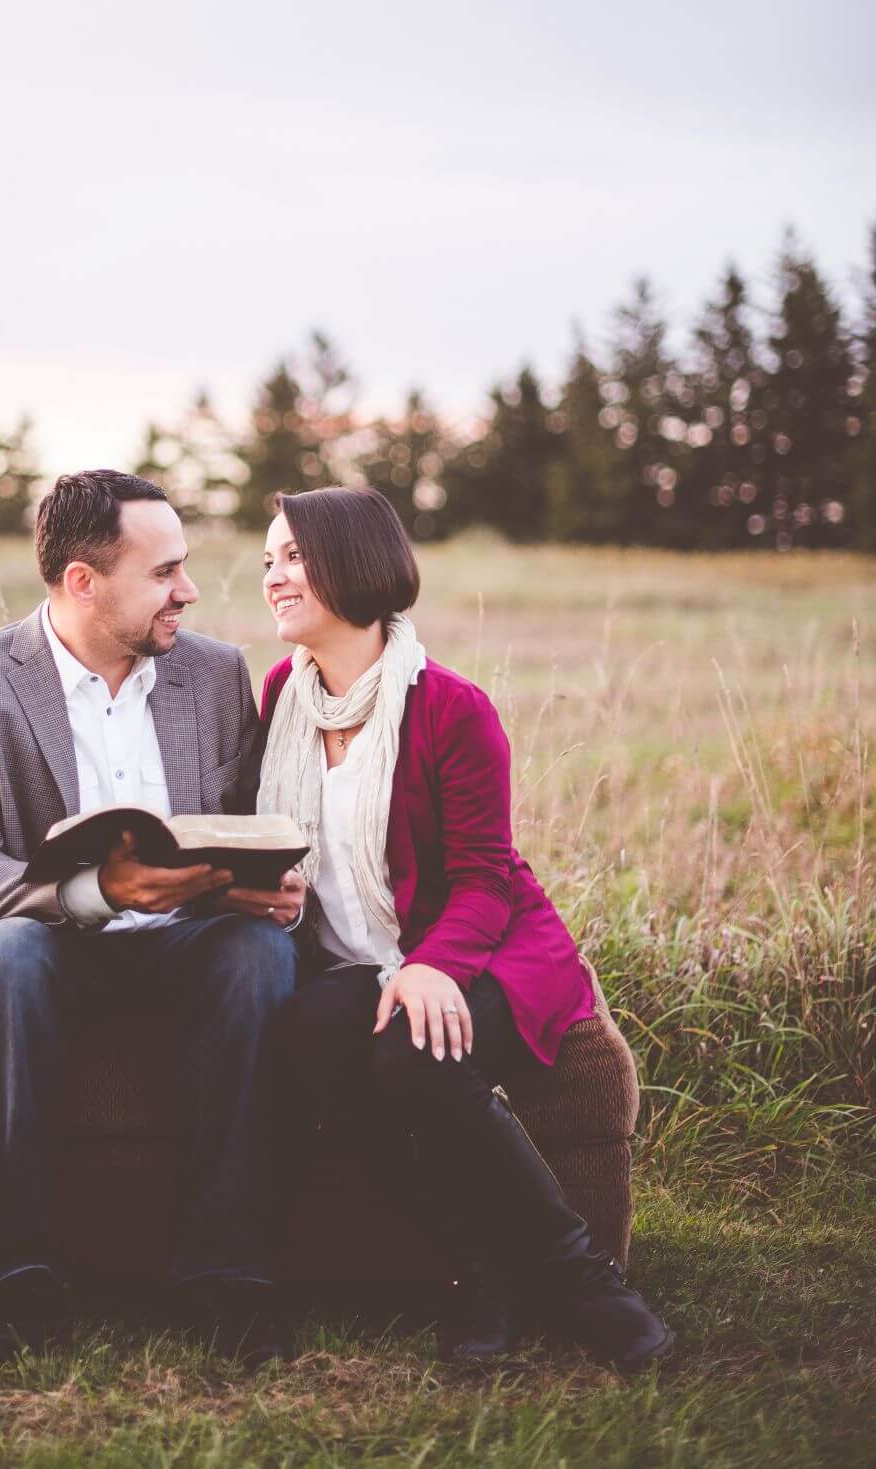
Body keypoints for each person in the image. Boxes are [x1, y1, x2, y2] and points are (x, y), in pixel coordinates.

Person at [0, 470, 304, 1363]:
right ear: (83, 581)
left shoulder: (216, 673)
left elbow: (242, 820)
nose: (188, 590)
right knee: (6, 953)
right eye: (164, 573)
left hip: (189, 942)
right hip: (53, 946)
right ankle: (19, 1273)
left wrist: (261, 883)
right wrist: (100, 893)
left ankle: (223, 1272)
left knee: (256, 954)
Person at [258, 486, 673, 1371]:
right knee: (309, 1034)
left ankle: (584, 1280)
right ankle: (478, 1269)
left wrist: (431, 965)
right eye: (269, 560)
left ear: (352, 563)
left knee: (415, 1050)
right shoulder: (279, 700)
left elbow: (486, 876)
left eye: (291, 555)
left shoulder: (451, 706)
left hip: (484, 945)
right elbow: (283, 846)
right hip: (354, 964)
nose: (273, 576)